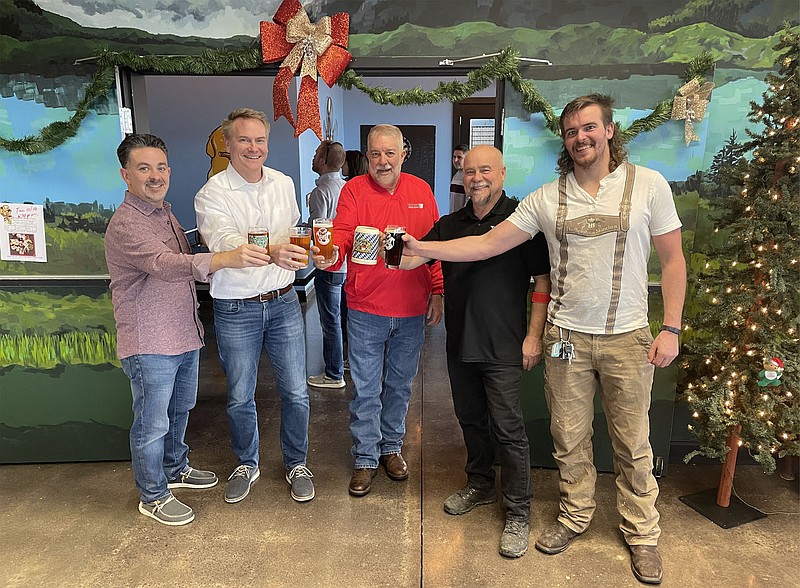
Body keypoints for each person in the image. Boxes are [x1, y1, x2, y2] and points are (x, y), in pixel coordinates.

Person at [403, 94, 686, 585]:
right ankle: (574, 518)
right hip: (567, 339)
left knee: (633, 442)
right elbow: (487, 242)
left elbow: (674, 260)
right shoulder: (547, 198)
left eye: (589, 128)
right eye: (573, 130)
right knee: (568, 438)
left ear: (610, 130)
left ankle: (642, 534)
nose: (581, 137)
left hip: (627, 337)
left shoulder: (649, 185)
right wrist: (423, 248)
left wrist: (672, 327)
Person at [106, 133, 271, 526]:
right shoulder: (127, 224)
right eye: (144, 168)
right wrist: (223, 258)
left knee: (180, 409)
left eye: (161, 167)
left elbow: (182, 251)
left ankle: (175, 466)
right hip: (150, 340)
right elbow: (165, 264)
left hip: (182, 332)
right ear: (125, 175)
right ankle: (153, 494)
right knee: (152, 422)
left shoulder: (163, 212)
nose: (155, 175)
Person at [402, 145, 551, 558]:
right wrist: (388, 243)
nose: (477, 178)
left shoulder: (523, 221)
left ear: (502, 172)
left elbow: (542, 282)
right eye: (469, 172)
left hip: (504, 344)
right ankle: (481, 484)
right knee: (469, 419)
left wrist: (533, 336)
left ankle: (519, 511)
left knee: (509, 428)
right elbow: (410, 261)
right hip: (459, 341)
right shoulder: (450, 223)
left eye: (485, 170)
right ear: (461, 177)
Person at [312, 124, 444, 497]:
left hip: (410, 308)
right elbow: (340, 231)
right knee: (366, 389)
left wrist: (438, 291)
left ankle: (391, 447)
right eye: (375, 154)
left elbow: (433, 245)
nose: (382, 161)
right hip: (365, 307)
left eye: (390, 153)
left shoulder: (421, 190)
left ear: (404, 153)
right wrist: (332, 252)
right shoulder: (353, 190)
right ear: (366, 157)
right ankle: (366, 457)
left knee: (400, 385)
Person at [194, 108, 315, 505]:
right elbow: (225, 242)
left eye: (259, 140)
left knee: (296, 391)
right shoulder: (211, 193)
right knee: (240, 395)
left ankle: (297, 462)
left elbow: (296, 230)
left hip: (283, 303)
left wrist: (306, 249)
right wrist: (275, 249)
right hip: (235, 309)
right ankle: (247, 462)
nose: (253, 147)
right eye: (243, 140)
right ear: (227, 146)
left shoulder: (283, 183)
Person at [307, 140, 348, 389]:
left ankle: (333, 373)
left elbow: (320, 229)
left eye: (315, 154)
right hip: (347, 264)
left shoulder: (321, 192)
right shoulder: (347, 187)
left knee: (329, 320)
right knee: (345, 317)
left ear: (322, 161)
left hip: (329, 265)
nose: (312, 158)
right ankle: (345, 361)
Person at [448, 144, 470, 213]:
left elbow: (469, 203)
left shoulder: (469, 177)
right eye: (454, 157)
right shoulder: (456, 176)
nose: (455, 160)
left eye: (459, 157)